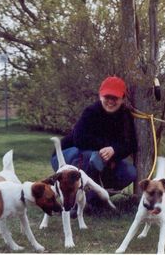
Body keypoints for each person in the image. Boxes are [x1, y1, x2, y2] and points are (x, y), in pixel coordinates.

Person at [51, 76, 137, 214]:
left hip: (101, 160)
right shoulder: (91, 112)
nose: (110, 101)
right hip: (66, 156)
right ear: (100, 95)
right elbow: (80, 140)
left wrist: (114, 151)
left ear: (122, 98)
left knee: (129, 172)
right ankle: (74, 203)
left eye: (115, 98)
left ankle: (93, 200)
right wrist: (105, 148)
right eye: (107, 96)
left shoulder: (126, 116)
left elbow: (130, 144)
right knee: (93, 157)